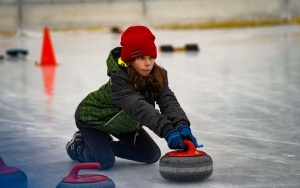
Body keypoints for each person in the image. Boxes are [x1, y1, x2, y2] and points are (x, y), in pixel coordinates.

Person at [66, 25, 199, 170]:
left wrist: (181, 125)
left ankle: (102, 145)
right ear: (129, 60)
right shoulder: (120, 82)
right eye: (141, 58)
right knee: (104, 162)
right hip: (93, 120)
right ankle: (79, 145)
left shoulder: (157, 76)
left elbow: (168, 101)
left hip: (124, 124)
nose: (148, 63)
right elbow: (139, 108)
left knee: (151, 155)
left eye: (151, 57)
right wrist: (167, 130)